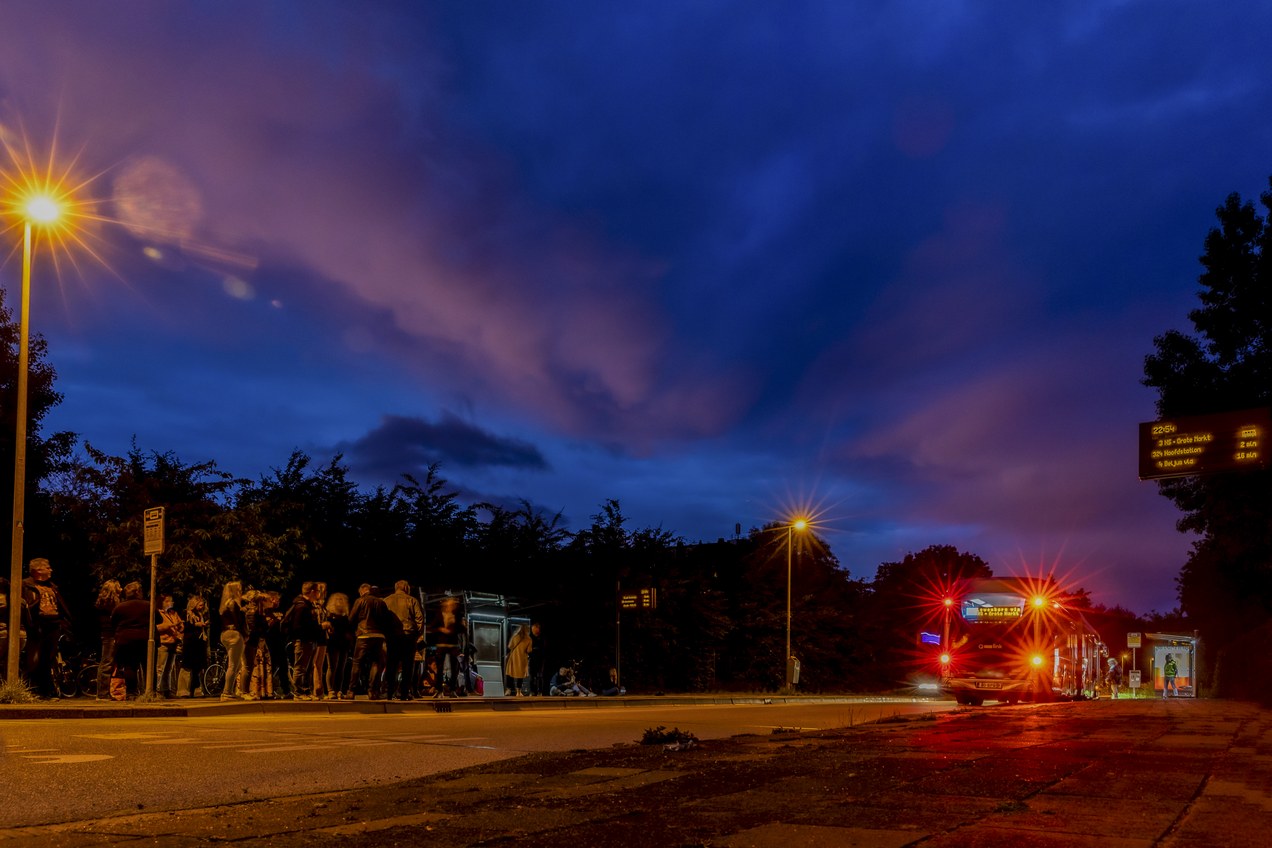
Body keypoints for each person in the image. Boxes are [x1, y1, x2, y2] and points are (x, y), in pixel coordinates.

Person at [22, 558, 72, 699]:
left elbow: (61, 605)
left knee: (48, 658)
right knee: (34, 659)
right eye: (47, 567)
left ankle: (45, 691)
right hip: (37, 624)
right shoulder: (26, 585)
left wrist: (64, 621)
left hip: (53, 623)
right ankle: (31, 689)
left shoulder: (52, 586)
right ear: (38, 570)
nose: (51, 570)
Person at [109, 582, 152, 699]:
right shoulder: (148, 605)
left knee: (130, 667)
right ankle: (150, 692)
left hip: (126, 640)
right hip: (144, 639)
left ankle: (131, 693)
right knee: (148, 666)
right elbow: (157, 619)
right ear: (138, 592)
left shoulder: (120, 607)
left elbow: (113, 623)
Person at [349, 584, 391, 699]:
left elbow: (351, 618)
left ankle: (351, 691)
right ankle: (373, 691)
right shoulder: (381, 603)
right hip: (378, 635)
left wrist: (354, 632)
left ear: (363, 591)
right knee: (376, 663)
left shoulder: (360, 600)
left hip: (363, 635)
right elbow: (387, 620)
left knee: (357, 662)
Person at [384, 580, 425, 700]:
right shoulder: (412, 600)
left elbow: (382, 620)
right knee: (408, 667)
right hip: (408, 637)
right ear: (406, 588)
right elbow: (419, 619)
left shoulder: (386, 600)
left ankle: (389, 692)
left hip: (392, 637)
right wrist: (417, 634)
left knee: (392, 665)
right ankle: (404, 693)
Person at [285, 582, 324, 700]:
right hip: (303, 640)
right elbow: (298, 626)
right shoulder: (301, 606)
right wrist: (320, 627)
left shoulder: (308, 605)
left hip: (310, 640)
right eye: (318, 591)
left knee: (307, 668)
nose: (319, 594)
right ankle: (298, 692)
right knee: (300, 667)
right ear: (312, 591)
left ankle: (306, 691)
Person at [93, 579, 123, 699]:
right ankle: (102, 693)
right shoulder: (109, 604)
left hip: (108, 634)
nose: (121, 589)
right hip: (110, 635)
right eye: (119, 586)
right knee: (107, 663)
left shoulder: (103, 603)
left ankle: (106, 691)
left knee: (108, 662)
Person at [219, 581, 247, 700]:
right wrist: (245, 634)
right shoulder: (234, 604)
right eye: (239, 589)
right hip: (235, 634)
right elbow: (239, 622)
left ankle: (230, 690)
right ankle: (227, 692)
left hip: (225, 634)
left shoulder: (225, 604)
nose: (241, 591)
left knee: (238, 664)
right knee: (233, 665)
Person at [430, 596, 462, 698]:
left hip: (453, 644)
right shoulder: (440, 614)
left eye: (453, 605)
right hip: (442, 643)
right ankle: (439, 690)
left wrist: (456, 627)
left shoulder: (457, 615)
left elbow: (461, 629)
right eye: (450, 604)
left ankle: (452, 690)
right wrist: (441, 629)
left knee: (454, 668)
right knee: (440, 668)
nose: (452, 606)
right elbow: (432, 627)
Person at [178, 595, 209, 697]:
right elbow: (183, 627)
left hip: (199, 643)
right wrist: (196, 625)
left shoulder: (201, 614)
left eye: (202, 605)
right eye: (200, 605)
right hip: (190, 643)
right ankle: (183, 690)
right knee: (186, 666)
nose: (201, 606)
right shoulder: (186, 614)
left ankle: (195, 690)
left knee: (197, 667)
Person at [325, 592, 353, 700]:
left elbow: (349, 629)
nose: (340, 602)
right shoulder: (329, 615)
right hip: (332, 643)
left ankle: (338, 690)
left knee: (341, 668)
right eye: (338, 600)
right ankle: (330, 690)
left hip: (343, 644)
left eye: (342, 600)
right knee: (332, 667)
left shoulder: (345, 616)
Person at [155, 594, 184, 698]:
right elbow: (156, 627)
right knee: (160, 668)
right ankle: (157, 690)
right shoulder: (158, 613)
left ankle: (167, 690)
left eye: (171, 601)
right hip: (163, 643)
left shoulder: (173, 613)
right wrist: (169, 626)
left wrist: (180, 627)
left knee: (169, 669)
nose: (170, 603)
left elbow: (180, 625)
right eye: (167, 601)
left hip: (173, 642)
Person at [505, 623, 531, 696]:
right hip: (522, 659)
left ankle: (509, 689)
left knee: (510, 673)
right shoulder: (528, 639)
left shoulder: (515, 636)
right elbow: (529, 650)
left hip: (513, 657)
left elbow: (510, 646)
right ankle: (518, 692)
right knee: (520, 675)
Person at [528, 622, 546, 697]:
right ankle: (532, 691)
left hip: (540, 660)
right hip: (532, 660)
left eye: (534, 629)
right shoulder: (530, 637)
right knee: (532, 677)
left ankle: (540, 692)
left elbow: (544, 649)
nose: (532, 631)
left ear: (537, 629)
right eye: (532, 630)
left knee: (539, 676)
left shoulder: (542, 638)